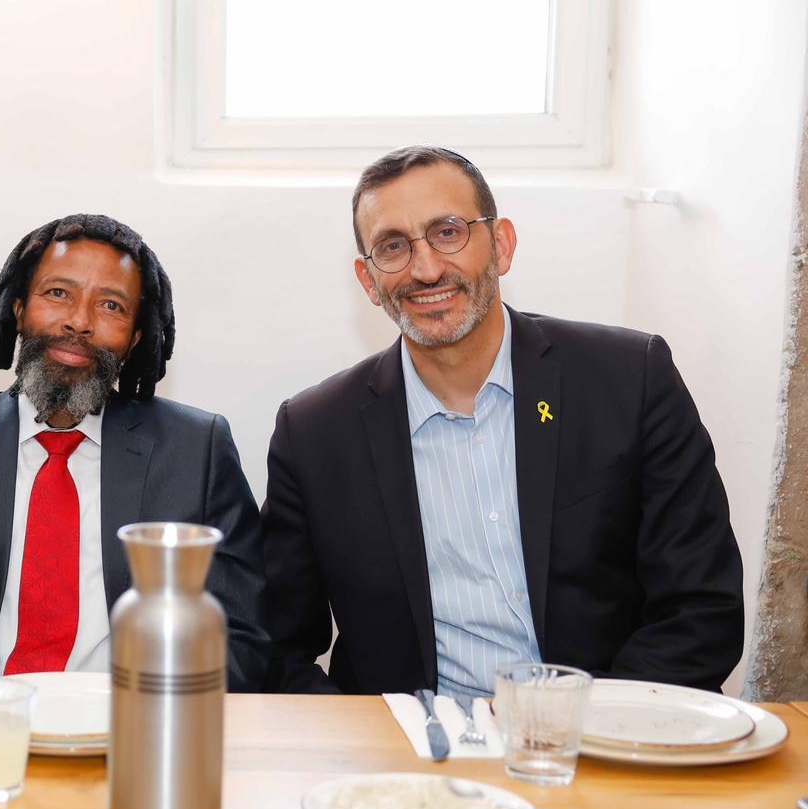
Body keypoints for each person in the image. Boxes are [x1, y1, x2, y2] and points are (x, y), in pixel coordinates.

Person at [262, 145, 744, 697]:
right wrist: (374, 748)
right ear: (369, 281)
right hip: (414, 760)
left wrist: (584, 733)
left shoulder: (630, 379)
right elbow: (276, 648)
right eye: (392, 247)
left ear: (502, 244)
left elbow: (701, 608)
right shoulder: (315, 433)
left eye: (448, 232)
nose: (425, 269)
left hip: (603, 738)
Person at [0, 214, 270, 692]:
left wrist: (139, 713)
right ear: (19, 308)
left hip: (132, 733)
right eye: (58, 294)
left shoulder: (197, 450)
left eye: (111, 305)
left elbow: (242, 637)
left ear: (136, 337)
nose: (79, 322)